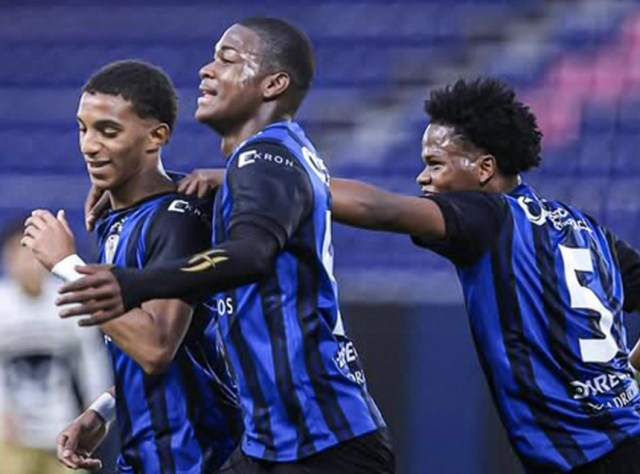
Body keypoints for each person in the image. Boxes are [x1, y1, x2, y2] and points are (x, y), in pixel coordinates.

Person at [140, 77, 640, 473]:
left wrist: (267, 178)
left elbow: (381, 209)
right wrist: (625, 378)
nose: (423, 177)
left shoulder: (487, 217)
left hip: (591, 456)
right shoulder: (587, 229)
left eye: (435, 164)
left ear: (484, 168)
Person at [54, 17, 394, 474]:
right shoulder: (265, 163)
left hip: (319, 441)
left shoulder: (261, 158)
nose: (206, 70)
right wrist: (106, 408)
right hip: (275, 443)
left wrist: (130, 281)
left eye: (228, 59)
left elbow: (248, 255)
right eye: (84, 129)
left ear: (273, 84)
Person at [22, 60, 240, 474]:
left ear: (157, 136)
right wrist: (103, 410)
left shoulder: (178, 219)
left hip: (196, 458)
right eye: (83, 128)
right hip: (144, 456)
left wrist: (66, 264)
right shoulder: (113, 220)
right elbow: (156, 350)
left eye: (108, 131)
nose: (89, 145)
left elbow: (156, 347)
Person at [0, 220, 110, 474]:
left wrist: (94, 409)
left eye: (32, 256)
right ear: (7, 260)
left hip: (61, 426)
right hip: (11, 432)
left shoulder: (68, 298)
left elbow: (91, 359)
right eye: (18, 256)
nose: (27, 264)